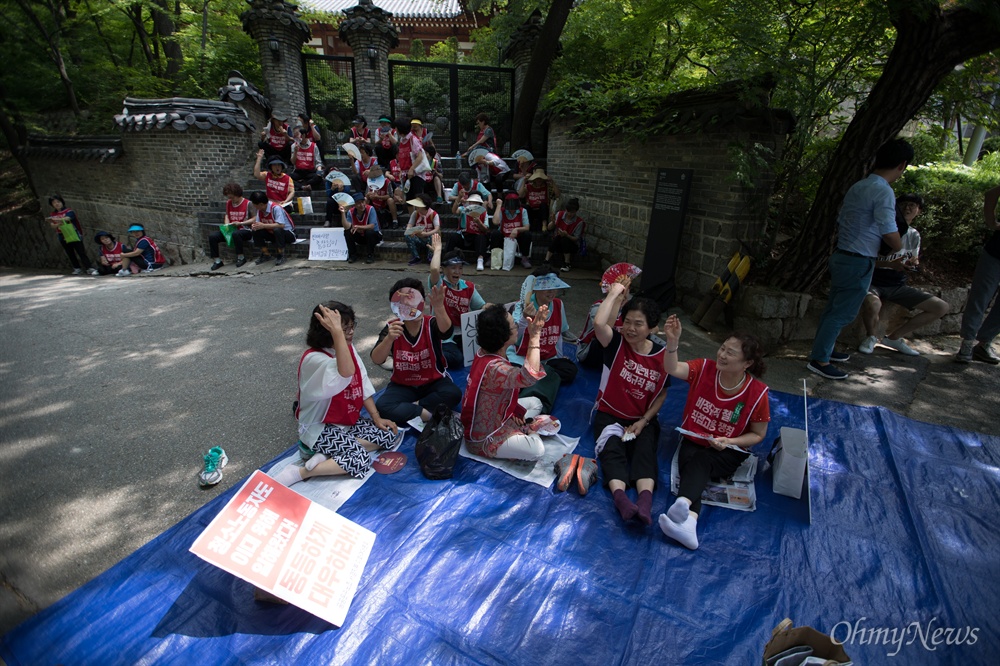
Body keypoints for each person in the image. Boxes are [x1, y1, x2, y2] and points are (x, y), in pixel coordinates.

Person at [657, 315, 770, 550]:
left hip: (728, 449)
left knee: (701, 461)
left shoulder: (757, 393)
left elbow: (758, 435)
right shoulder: (704, 368)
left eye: (730, 353)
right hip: (695, 438)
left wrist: (730, 440)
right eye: (722, 348)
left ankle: (683, 503)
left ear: (747, 363)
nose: (722, 355)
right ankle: (689, 522)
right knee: (692, 460)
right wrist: (672, 341)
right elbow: (671, 367)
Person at [806, 138, 909, 380]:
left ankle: (825, 350)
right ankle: (819, 359)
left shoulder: (859, 185)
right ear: (902, 165)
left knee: (834, 309)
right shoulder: (883, 191)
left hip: (843, 255)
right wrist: (900, 246)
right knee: (841, 313)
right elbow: (889, 231)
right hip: (858, 260)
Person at [271, 301, 401, 488]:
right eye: (344, 329)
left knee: (388, 435)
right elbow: (346, 371)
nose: (351, 333)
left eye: (351, 327)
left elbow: (361, 380)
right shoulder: (313, 359)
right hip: (321, 427)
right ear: (327, 331)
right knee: (359, 460)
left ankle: (326, 455)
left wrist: (376, 417)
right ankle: (300, 472)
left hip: (345, 422)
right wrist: (338, 334)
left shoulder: (346, 346)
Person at [590, 280, 670, 525]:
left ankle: (645, 503)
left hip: (641, 419)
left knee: (645, 452)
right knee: (611, 451)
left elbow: (662, 393)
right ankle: (622, 501)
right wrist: (615, 292)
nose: (631, 328)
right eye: (627, 322)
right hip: (609, 414)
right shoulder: (615, 344)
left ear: (653, 328)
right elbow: (599, 323)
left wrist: (644, 421)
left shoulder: (663, 356)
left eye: (638, 324)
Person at [858, 193, 949, 356]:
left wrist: (913, 263)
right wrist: (889, 264)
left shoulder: (914, 235)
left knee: (941, 307)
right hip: (872, 281)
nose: (907, 208)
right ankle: (871, 337)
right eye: (904, 204)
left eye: (912, 205)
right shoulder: (882, 230)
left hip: (898, 285)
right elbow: (865, 260)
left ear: (919, 211)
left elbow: (912, 258)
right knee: (874, 305)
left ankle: (894, 338)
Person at [461, 303, 550, 461]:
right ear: (503, 337)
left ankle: (520, 427)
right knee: (537, 450)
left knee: (535, 402)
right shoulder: (496, 368)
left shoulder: (484, 351)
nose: (517, 327)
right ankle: (529, 430)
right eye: (514, 325)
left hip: (499, 414)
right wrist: (535, 336)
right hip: (485, 438)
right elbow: (530, 376)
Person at [370, 278, 462, 426]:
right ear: (398, 308)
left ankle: (413, 406)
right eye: (408, 305)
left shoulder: (431, 323)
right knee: (382, 406)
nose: (416, 309)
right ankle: (425, 413)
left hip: (433, 382)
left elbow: (446, 332)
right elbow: (376, 359)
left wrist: (439, 307)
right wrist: (389, 339)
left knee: (454, 394)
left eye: (419, 302)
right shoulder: (393, 328)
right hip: (403, 385)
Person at [510, 269, 578, 414]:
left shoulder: (559, 305)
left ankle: (538, 380)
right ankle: (537, 386)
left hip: (547, 359)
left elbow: (559, 333)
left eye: (554, 288)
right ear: (535, 288)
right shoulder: (521, 306)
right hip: (522, 357)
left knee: (569, 370)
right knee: (514, 377)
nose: (551, 292)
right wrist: (524, 318)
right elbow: (515, 338)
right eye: (547, 288)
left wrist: (559, 357)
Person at [956, 184, 1000, 364]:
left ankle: (984, 343)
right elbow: (991, 194)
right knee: (980, 296)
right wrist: (992, 222)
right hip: (996, 252)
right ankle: (967, 342)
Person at [429, 233, 486, 369]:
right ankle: (428, 354)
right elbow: (434, 269)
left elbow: (481, 305)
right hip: (444, 333)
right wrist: (438, 250)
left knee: (481, 354)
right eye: (453, 267)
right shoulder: (439, 284)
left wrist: (491, 308)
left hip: (465, 333)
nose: (457, 271)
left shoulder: (468, 286)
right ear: (444, 269)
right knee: (457, 359)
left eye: (460, 267)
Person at [208, 182, 254, 270]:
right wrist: (226, 225)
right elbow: (227, 215)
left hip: (245, 229)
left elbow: (255, 218)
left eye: (232, 197)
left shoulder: (248, 203)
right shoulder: (229, 203)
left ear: (238, 194)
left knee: (236, 234)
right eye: (229, 197)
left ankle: (241, 257)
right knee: (213, 236)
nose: (231, 199)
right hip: (231, 229)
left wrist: (241, 223)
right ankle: (217, 261)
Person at [47, 195, 97, 275]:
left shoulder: (69, 211)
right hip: (62, 234)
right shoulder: (53, 214)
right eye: (54, 203)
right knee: (70, 252)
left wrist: (57, 220)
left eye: (58, 202)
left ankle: (89, 267)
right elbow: (53, 225)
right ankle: (77, 268)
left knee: (81, 251)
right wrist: (57, 222)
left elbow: (68, 218)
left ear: (62, 202)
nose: (57, 204)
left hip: (73, 233)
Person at [248, 191, 295, 266]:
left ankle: (281, 254)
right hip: (272, 233)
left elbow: (281, 225)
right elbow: (259, 223)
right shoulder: (260, 210)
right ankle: (266, 254)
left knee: (277, 229)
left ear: (261, 204)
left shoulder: (275, 208)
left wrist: (263, 225)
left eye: (254, 205)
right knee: (255, 231)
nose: (254, 206)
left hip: (287, 234)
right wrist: (255, 226)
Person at [446, 193, 490, 271]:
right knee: (453, 237)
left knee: (481, 237)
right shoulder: (463, 209)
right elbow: (454, 211)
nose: (473, 204)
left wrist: (479, 222)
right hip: (465, 236)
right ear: (469, 202)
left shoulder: (484, 213)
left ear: (479, 204)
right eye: (472, 202)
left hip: (477, 238)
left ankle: (480, 260)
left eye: (476, 202)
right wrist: (458, 199)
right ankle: (447, 259)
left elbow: (485, 229)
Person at [491, 191, 532, 269]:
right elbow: (495, 222)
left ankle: (524, 258)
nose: (511, 210)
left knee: (527, 234)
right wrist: (498, 206)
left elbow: (527, 227)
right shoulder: (502, 210)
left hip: (517, 236)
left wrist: (516, 229)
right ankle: (494, 257)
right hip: (504, 235)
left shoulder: (523, 211)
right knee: (495, 233)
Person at [342, 192, 382, 265]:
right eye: (358, 203)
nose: (362, 205)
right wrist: (342, 213)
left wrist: (358, 227)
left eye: (363, 202)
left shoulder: (371, 209)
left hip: (374, 236)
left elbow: (372, 226)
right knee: (347, 232)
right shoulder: (350, 212)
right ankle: (353, 255)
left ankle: (370, 255)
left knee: (369, 232)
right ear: (354, 205)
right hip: (361, 236)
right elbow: (346, 226)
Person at [545, 198, 585, 272]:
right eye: (568, 211)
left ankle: (567, 263)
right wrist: (553, 222)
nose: (569, 214)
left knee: (564, 239)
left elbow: (576, 238)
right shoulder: (560, 214)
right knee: (558, 238)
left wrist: (567, 235)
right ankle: (546, 260)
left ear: (576, 211)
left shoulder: (579, 222)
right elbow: (549, 228)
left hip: (571, 245)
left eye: (572, 212)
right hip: (558, 242)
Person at [518, 168, 560, 234]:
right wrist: (524, 181)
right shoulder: (528, 186)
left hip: (542, 210)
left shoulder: (547, 186)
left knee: (543, 205)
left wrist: (552, 182)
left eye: (540, 179)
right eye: (537, 179)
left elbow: (557, 195)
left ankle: (544, 226)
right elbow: (520, 195)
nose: (539, 180)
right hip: (531, 209)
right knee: (525, 207)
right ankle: (528, 226)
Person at [404, 193, 439, 265]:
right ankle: (416, 257)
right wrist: (410, 231)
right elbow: (409, 224)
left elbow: (437, 228)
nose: (416, 206)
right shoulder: (415, 213)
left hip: (429, 238)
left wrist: (426, 233)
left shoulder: (433, 214)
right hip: (419, 238)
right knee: (407, 235)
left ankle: (430, 257)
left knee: (433, 236)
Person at [364, 164, 399, 229]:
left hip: (384, 203)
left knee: (390, 200)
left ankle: (395, 220)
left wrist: (378, 197)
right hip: (373, 202)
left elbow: (390, 195)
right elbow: (366, 194)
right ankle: (365, 219)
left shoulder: (387, 181)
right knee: (365, 199)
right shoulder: (369, 181)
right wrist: (369, 195)